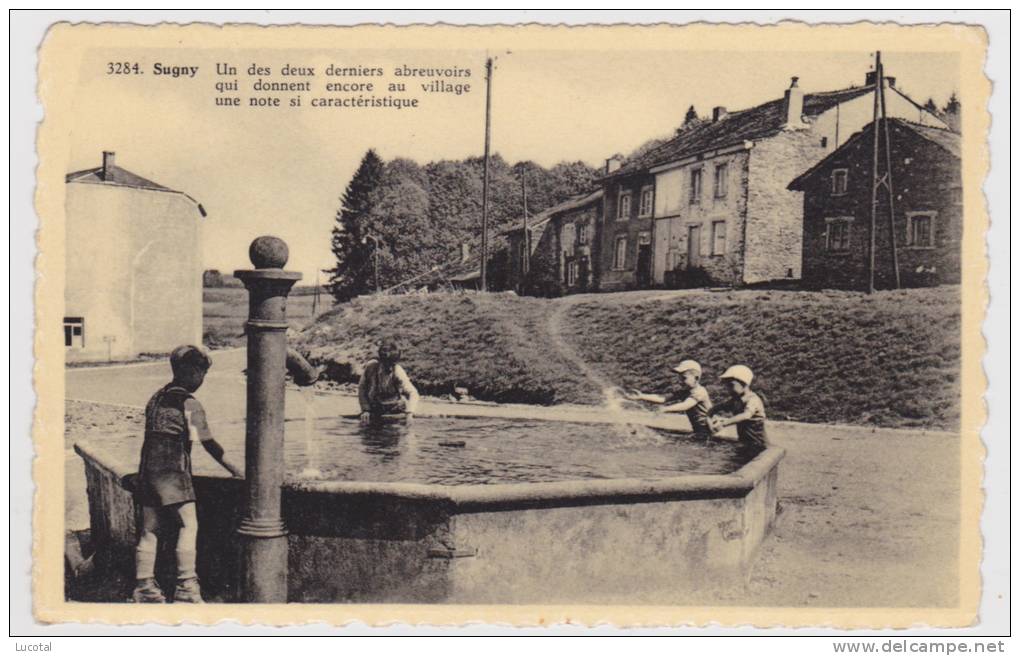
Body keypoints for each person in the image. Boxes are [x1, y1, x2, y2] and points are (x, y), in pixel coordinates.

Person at [132, 345, 243, 603]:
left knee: (150, 529)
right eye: (202, 373)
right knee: (188, 525)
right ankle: (186, 587)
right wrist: (236, 470)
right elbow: (209, 444)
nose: (202, 380)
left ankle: (144, 587)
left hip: (148, 471)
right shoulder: (190, 404)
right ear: (192, 371)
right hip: (173, 473)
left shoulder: (156, 397)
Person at [624, 360, 714, 439]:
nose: (680, 381)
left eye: (683, 378)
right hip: (699, 430)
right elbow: (663, 398)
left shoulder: (700, 392)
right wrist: (642, 396)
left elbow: (685, 405)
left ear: (696, 378)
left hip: (711, 429)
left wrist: (666, 409)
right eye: (679, 378)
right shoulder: (684, 391)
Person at [358, 340, 420, 424]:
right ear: (381, 361)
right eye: (387, 364)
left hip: (395, 409)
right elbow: (362, 388)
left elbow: (413, 393)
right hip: (375, 408)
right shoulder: (371, 367)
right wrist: (365, 409)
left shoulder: (397, 370)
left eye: (392, 364)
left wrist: (409, 413)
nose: (390, 367)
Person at [709, 364, 768, 450]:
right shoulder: (736, 399)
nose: (728, 389)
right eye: (726, 386)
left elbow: (746, 415)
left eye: (731, 385)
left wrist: (724, 423)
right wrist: (710, 415)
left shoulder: (753, 400)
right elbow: (718, 407)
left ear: (744, 384)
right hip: (745, 442)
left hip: (759, 443)